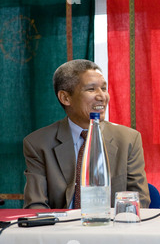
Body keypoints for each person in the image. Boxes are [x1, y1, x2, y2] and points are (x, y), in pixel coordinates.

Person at [23, 59, 151, 209]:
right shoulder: (38, 143)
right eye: (91, 89)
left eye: (104, 88)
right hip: (61, 229)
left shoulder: (128, 139)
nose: (102, 96)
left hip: (110, 228)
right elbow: (35, 205)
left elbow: (139, 201)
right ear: (65, 98)